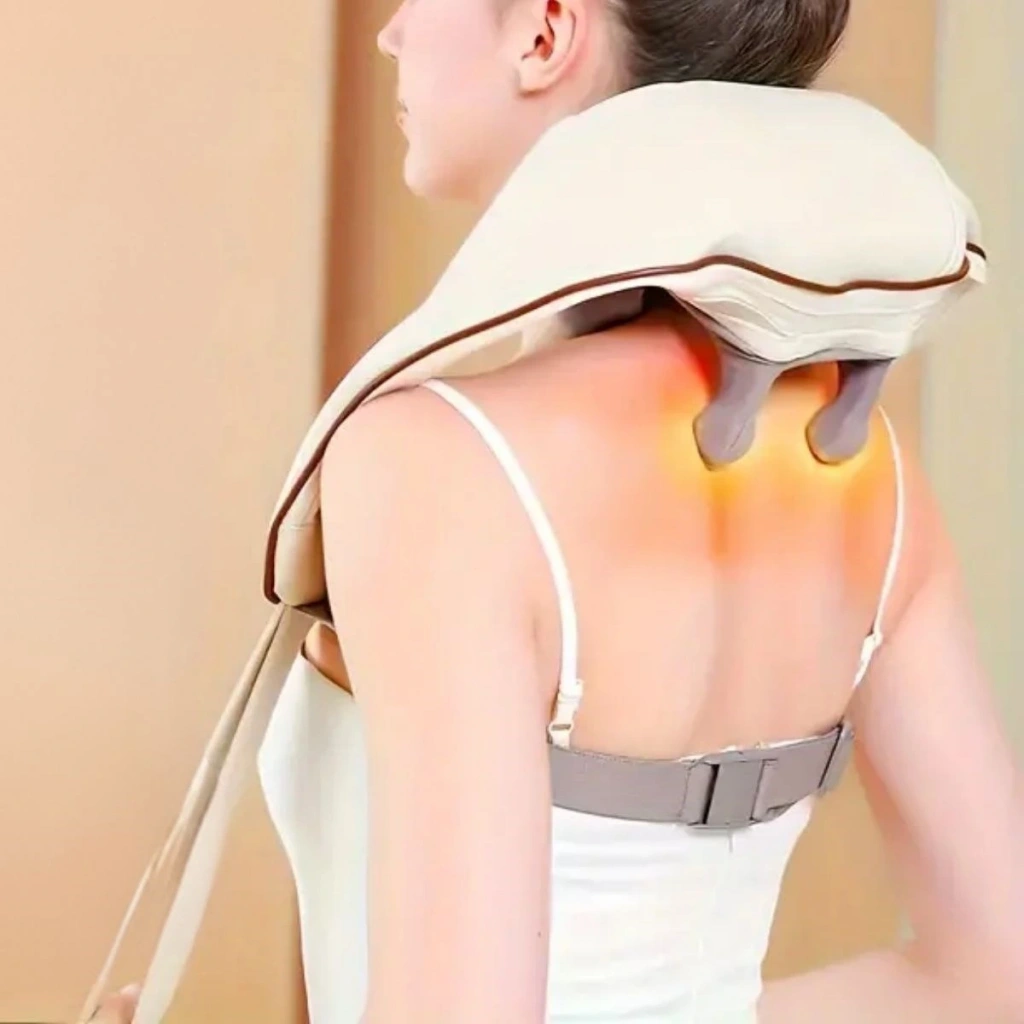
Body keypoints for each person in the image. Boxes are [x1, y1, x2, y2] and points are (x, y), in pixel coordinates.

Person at [93, 1, 1022, 1021]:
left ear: (543, 32)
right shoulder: (866, 470)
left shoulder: (440, 463)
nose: (392, 32)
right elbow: (993, 975)